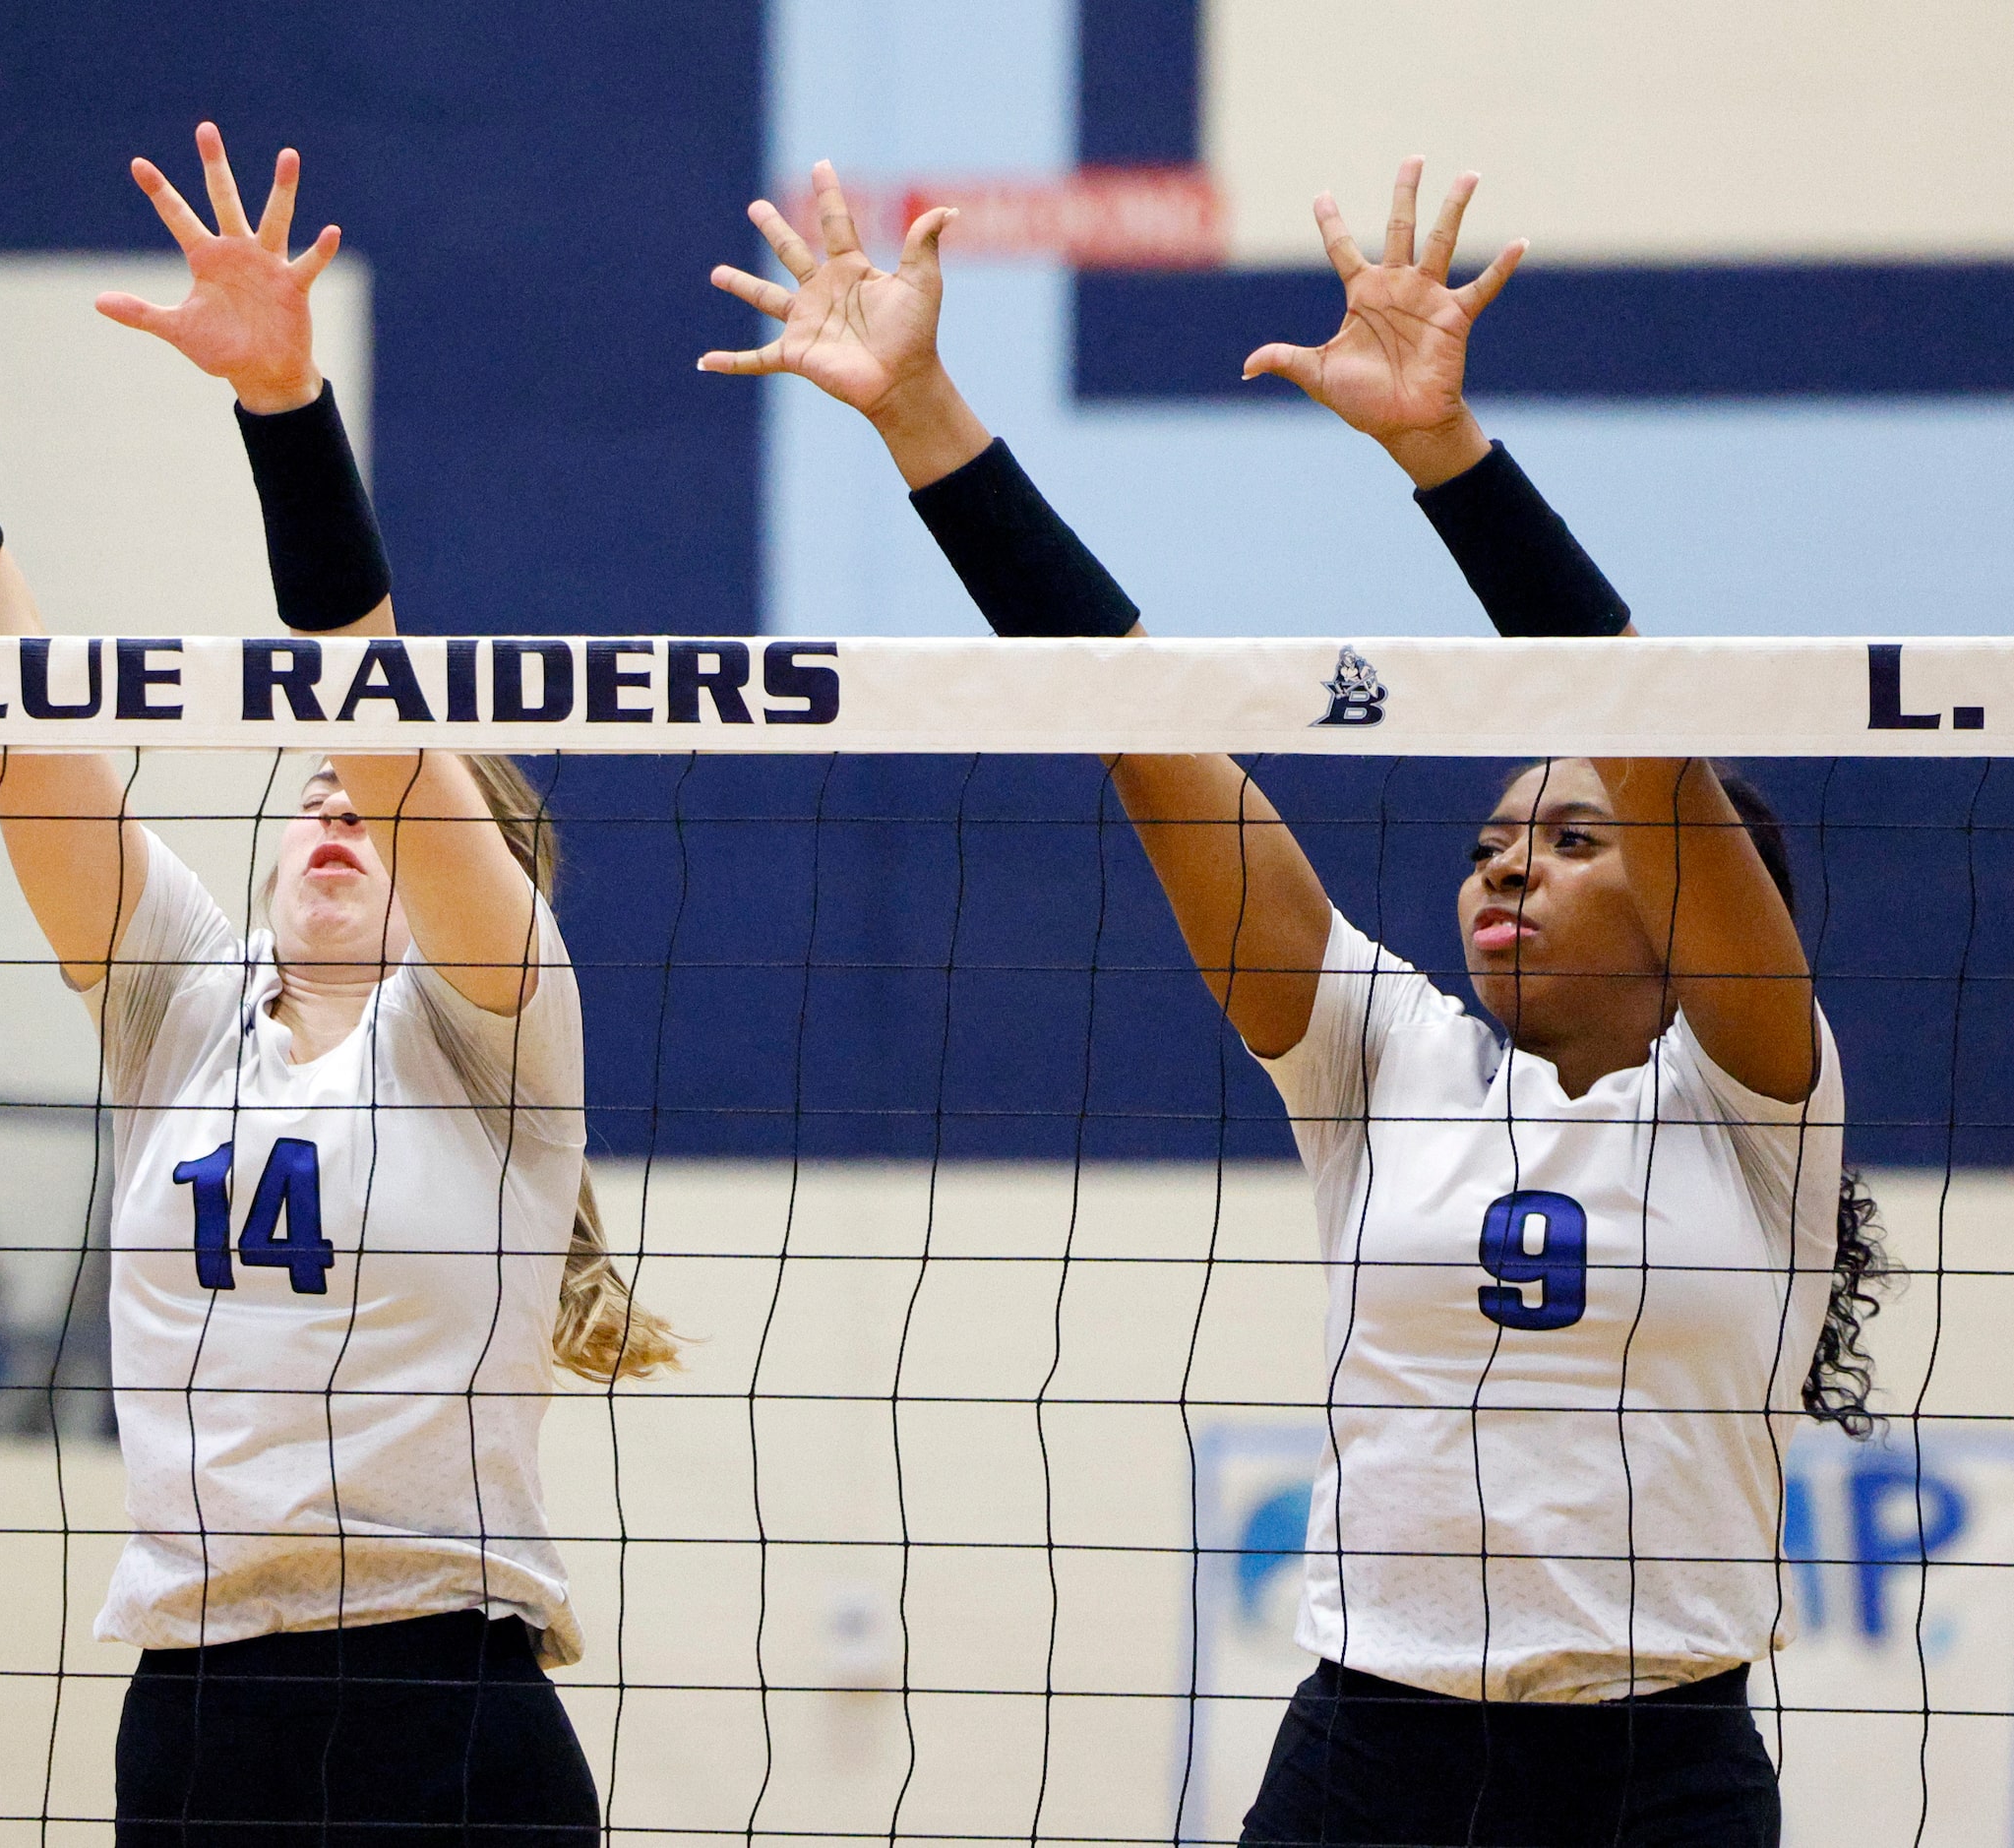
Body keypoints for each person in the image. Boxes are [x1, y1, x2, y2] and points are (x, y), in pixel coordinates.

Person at [706, 156, 1891, 1847]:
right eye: (1491, 840)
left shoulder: (1758, 1099)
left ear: (1697, 905)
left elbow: (1639, 717)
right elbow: (1142, 720)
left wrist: (1442, 455)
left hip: (1657, 1773)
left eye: (1570, 838)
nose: (1505, 870)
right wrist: (922, 419)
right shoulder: (1383, 1059)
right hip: (1369, 1757)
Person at [0, 119, 675, 1848]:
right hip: (198, 1716)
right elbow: (21, 710)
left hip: (449, 1714)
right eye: (307, 795)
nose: (334, 805)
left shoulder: (498, 1035)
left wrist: (283, 405)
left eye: (375, 804)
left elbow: (381, 721)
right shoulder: (180, 1007)